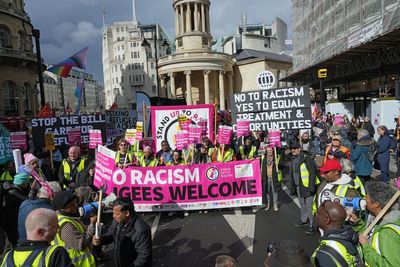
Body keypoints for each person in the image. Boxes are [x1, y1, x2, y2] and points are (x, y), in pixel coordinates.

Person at [0, 208, 73, 267]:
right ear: (40, 232)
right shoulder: (55, 254)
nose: (59, 228)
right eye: (55, 226)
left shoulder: (8, 256)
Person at [351, 181, 400, 267]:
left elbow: (391, 265)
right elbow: (370, 235)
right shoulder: (376, 216)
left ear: (376, 205)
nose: (364, 198)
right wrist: (358, 223)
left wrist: (365, 247)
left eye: (368, 196)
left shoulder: (387, 233)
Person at [92, 197, 152, 267]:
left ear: (127, 213)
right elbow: (111, 235)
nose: (113, 216)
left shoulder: (141, 230)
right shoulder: (118, 221)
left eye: (117, 214)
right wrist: (100, 240)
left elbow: (143, 257)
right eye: (113, 213)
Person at [311, 201, 363, 266]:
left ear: (327, 219)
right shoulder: (354, 239)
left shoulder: (324, 255)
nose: (315, 215)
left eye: (317, 213)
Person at [52, 191, 96, 267]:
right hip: (76, 264)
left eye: (75, 203)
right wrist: (92, 225)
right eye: (71, 205)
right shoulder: (65, 225)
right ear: (63, 208)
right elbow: (79, 244)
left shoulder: (69, 217)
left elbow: (80, 231)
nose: (75, 206)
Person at [289, 143, 318, 235]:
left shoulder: (306, 158)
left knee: (310, 206)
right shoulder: (293, 159)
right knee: (302, 205)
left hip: (306, 187)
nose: (293, 150)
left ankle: (312, 225)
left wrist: (311, 187)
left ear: (299, 149)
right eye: (291, 148)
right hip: (298, 186)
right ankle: (304, 220)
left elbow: (312, 173)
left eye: (295, 148)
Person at [1, 172, 31, 247]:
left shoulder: (16, 190)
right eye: (27, 182)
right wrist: (32, 190)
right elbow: (27, 202)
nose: (28, 184)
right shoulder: (14, 192)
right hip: (11, 221)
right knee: (12, 242)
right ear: (22, 183)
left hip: (12, 220)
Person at [260, 147, 281, 211]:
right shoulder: (264, 158)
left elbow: (282, 165)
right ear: (266, 151)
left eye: (271, 150)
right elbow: (262, 168)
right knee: (267, 191)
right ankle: (268, 204)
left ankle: (275, 204)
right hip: (266, 177)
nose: (270, 152)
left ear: (273, 151)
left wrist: (278, 164)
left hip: (274, 177)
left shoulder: (276, 157)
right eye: (268, 150)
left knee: (275, 191)